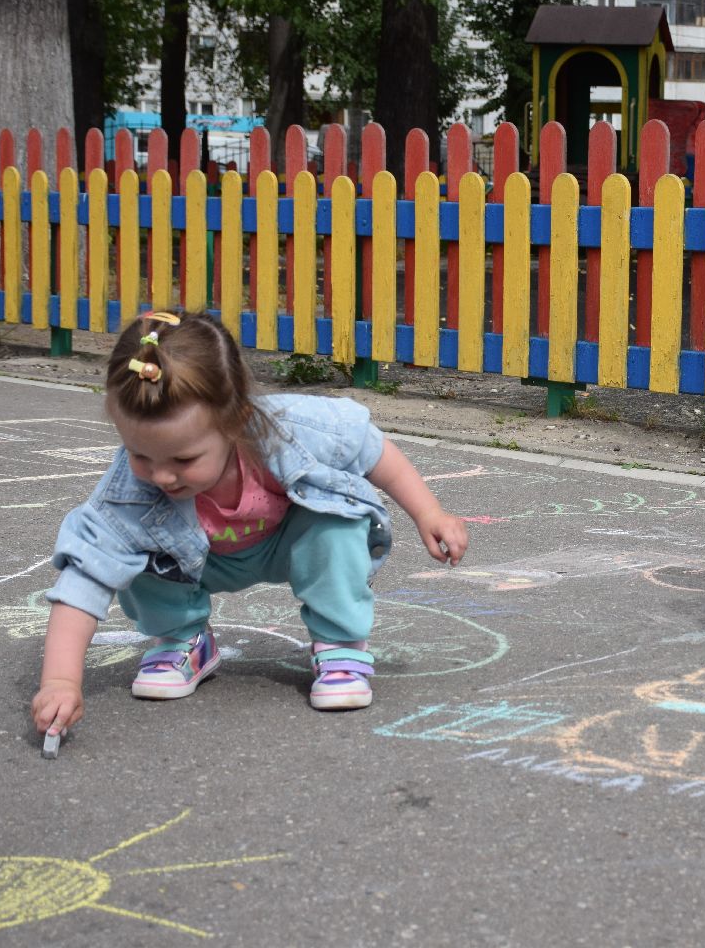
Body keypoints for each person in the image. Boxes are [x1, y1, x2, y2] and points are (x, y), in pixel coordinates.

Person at [30, 310, 468, 736]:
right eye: (140, 454)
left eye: (184, 459)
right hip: (196, 561)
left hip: (289, 541)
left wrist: (428, 512)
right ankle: (183, 640)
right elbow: (84, 576)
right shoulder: (129, 492)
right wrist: (60, 681)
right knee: (135, 553)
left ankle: (340, 644)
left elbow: (369, 449)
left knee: (336, 522)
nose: (161, 475)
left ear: (235, 420)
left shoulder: (291, 427)